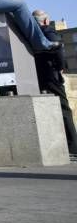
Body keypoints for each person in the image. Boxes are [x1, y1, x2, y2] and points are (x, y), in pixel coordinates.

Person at [32, 10, 76, 156]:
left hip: (39, 76)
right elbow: (58, 49)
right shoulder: (48, 31)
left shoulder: (32, 34)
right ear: (45, 21)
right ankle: (73, 146)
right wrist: (60, 66)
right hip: (52, 76)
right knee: (64, 110)